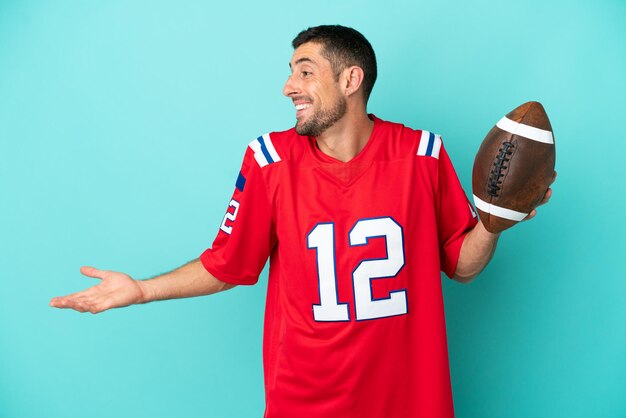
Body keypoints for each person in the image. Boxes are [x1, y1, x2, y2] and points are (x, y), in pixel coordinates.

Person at [50, 25, 553, 418]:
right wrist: (140, 289)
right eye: (292, 72)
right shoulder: (268, 160)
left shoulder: (421, 153)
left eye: (305, 71)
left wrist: (491, 225)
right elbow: (229, 265)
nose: (289, 86)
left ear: (351, 80)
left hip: (409, 403)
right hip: (305, 404)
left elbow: (462, 266)